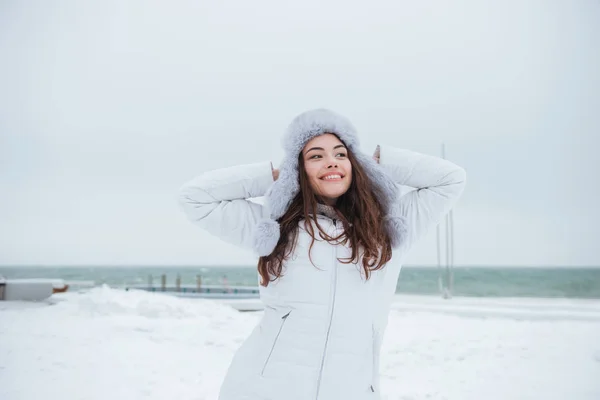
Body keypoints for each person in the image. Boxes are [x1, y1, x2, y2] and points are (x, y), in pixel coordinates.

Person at [178, 109, 466, 400]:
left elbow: (451, 179)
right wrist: (275, 177)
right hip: (265, 389)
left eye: (341, 154)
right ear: (299, 170)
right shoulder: (274, 227)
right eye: (316, 156)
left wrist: (378, 163)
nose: (331, 162)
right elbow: (194, 198)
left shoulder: (388, 228)